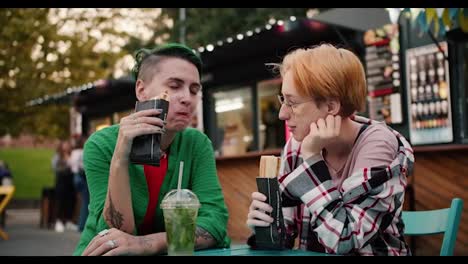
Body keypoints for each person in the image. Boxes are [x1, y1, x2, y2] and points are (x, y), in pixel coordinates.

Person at [246, 44, 414, 256]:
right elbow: (283, 238)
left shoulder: (378, 145)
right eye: (283, 100)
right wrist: (264, 226)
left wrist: (312, 161)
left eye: (292, 102)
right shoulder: (295, 148)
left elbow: (344, 240)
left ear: (331, 107)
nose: (281, 114)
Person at [74, 43, 230, 256]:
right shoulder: (101, 144)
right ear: (141, 90)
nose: (187, 98)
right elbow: (117, 233)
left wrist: (147, 244)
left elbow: (215, 221)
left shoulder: (196, 143)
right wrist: (120, 157)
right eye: (175, 86)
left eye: (194, 90)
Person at [52, 140, 78, 233]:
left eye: (68, 145)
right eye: (65, 145)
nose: (67, 147)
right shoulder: (58, 156)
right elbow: (55, 168)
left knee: (71, 201)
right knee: (60, 201)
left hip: (71, 181)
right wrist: (66, 164)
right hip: (61, 181)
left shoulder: (73, 155)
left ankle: (68, 221)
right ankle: (58, 221)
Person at [70, 136, 89, 232]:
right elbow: (84, 165)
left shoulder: (73, 152)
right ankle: (81, 225)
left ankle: (80, 223)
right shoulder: (82, 152)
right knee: (85, 202)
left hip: (75, 177)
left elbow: (71, 165)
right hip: (82, 177)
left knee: (81, 201)